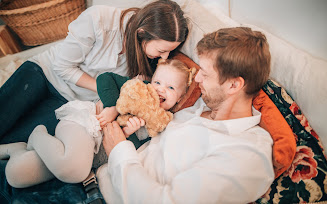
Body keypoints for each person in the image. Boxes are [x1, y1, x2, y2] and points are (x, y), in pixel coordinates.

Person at [0, 0, 188, 202]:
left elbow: (134, 99)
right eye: (162, 51)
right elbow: (62, 67)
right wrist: (110, 101)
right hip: (44, 75)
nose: (165, 56)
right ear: (142, 33)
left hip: (68, 102)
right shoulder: (99, 20)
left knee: (18, 147)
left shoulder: (149, 66)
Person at [100, 27, 275, 203]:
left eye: (205, 74)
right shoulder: (199, 104)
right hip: (97, 175)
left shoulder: (247, 154)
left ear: (233, 86)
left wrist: (118, 150)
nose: (197, 80)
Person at [0, 58, 196, 189]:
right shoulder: (137, 88)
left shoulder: (159, 124)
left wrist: (128, 132)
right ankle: (37, 133)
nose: (161, 90)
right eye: (158, 82)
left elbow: (127, 149)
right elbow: (105, 78)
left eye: (171, 88)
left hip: (92, 154)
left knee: (16, 175)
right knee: (75, 170)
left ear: (179, 99)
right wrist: (113, 106)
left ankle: (16, 150)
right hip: (86, 123)